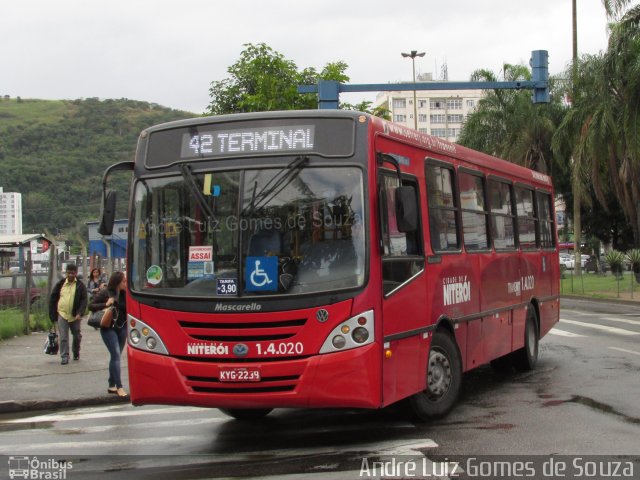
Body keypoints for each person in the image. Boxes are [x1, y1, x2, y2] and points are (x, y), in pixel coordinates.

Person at [89, 271, 128, 397]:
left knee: (116, 355)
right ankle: (119, 386)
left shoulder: (126, 294)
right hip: (108, 327)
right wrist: (105, 304)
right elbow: (91, 306)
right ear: (117, 282)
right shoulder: (106, 292)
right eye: (123, 282)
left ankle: (111, 385)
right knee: (115, 354)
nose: (125, 284)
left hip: (122, 327)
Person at [48, 264, 88, 365]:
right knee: (63, 337)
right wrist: (53, 316)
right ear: (66, 273)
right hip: (62, 314)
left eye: (72, 273)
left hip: (75, 316)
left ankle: (76, 351)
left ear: (76, 273)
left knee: (77, 336)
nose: (70, 275)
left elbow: (84, 301)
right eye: (68, 273)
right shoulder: (60, 284)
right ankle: (64, 356)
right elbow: (53, 299)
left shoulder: (80, 286)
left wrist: (80, 313)